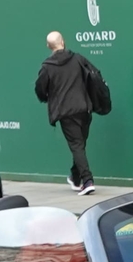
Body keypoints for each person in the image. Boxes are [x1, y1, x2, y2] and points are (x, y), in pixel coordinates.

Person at [33, 31, 109, 195]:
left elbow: (40, 89)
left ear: (48, 46)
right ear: (63, 42)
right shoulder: (78, 59)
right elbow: (95, 75)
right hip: (84, 108)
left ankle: (84, 180)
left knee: (77, 145)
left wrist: (47, 98)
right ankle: (80, 178)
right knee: (79, 145)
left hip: (66, 112)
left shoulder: (47, 67)